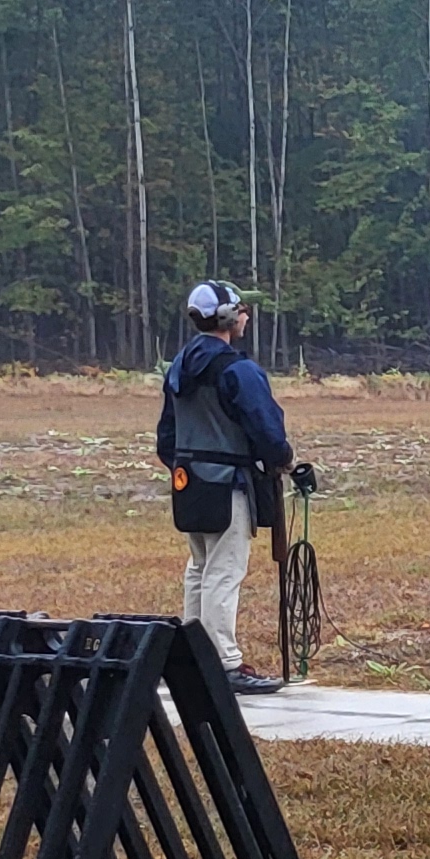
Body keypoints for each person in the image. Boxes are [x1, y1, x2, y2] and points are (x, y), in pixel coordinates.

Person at [155, 280, 301, 697]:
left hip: (189, 484)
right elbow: (266, 429)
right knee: (224, 571)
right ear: (226, 318)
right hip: (227, 485)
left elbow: (166, 438)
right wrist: (283, 461)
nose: (245, 316)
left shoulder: (179, 367)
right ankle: (224, 662)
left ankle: (193, 658)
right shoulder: (238, 370)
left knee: (199, 569)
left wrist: (189, 466)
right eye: (239, 310)